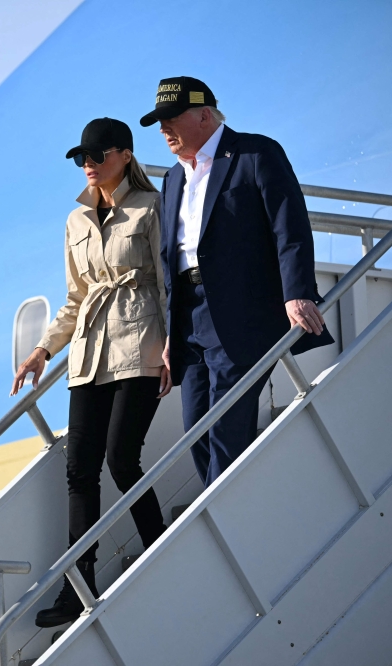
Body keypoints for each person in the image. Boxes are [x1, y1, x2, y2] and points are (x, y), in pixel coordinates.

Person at [10, 117, 170, 628]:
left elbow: (169, 283)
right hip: (88, 354)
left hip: (141, 342)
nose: (89, 165)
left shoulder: (151, 206)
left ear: (124, 155)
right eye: (83, 158)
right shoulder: (75, 221)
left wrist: (174, 345)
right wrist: (42, 350)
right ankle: (77, 588)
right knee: (79, 468)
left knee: (121, 458)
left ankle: (161, 546)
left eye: (98, 156)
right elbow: (76, 297)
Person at [139, 76, 334, 488]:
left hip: (240, 313)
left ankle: (215, 526)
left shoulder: (255, 153)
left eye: (170, 118)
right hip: (190, 319)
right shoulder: (174, 178)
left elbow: (290, 227)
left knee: (227, 429)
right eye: (159, 122)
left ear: (204, 114)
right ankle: (221, 510)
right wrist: (173, 332)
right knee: (196, 430)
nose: (163, 130)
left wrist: (297, 292)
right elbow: (171, 257)